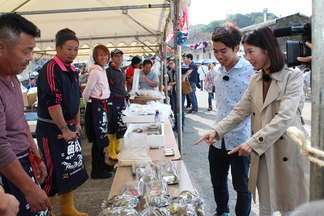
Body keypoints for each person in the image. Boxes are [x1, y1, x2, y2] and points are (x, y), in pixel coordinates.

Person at [195, 26, 310, 216]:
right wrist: (217, 131)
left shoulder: (293, 77)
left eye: (250, 52)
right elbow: (240, 110)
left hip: (287, 151)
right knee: (267, 206)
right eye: (246, 52)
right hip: (264, 152)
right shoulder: (256, 78)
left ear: (266, 49)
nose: (247, 57)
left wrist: (252, 142)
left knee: (292, 207)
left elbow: (285, 117)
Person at [196, 23, 254, 216]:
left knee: (242, 187)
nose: (219, 56)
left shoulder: (252, 72)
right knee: (218, 182)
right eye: (215, 51)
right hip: (217, 138)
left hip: (241, 140)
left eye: (223, 51)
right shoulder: (216, 72)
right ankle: (222, 212)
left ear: (237, 48)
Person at [0, 13, 51, 216]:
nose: (30, 58)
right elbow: (1, 147)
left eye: (32, 51)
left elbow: (20, 124)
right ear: (1, 47)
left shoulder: (12, 78)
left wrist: (36, 156)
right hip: (9, 171)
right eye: (26, 51)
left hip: (25, 160)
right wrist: (29, 189)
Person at [36, 28, 88, 216]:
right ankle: (45, 212)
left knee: (70, 167)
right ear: (58, 48)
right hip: (52, 129)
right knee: (51, 172)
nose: (73, 53)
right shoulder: (51, 68)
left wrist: (76, 122)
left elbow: (76, 97)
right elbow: (53, 102)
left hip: (69, 126)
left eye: (75, 49)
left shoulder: (73, 70)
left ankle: (67, 209)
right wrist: (64, 128)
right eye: (69, 49)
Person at [82, 44, 113, 179]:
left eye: (105, 54)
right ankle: (96, 170)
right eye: (100, 55)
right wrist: (89, 107)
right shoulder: (95, 71)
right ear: (95, 56)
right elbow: (86, 92)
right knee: (97, 139)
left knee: (102, 137)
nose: (104, 57)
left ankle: (102, 163)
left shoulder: (102, 70)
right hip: (96, 106)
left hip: (101, 105)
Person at [106, 49, 128, 160]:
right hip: (113, 101)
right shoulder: (109, 71)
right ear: (112, 58)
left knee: (120, 124)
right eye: (116, 56)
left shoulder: (121, 70)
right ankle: (111, 151)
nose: (119, 58)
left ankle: (117, 147)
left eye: (121, 56)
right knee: (112, 125)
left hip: (121, 99)